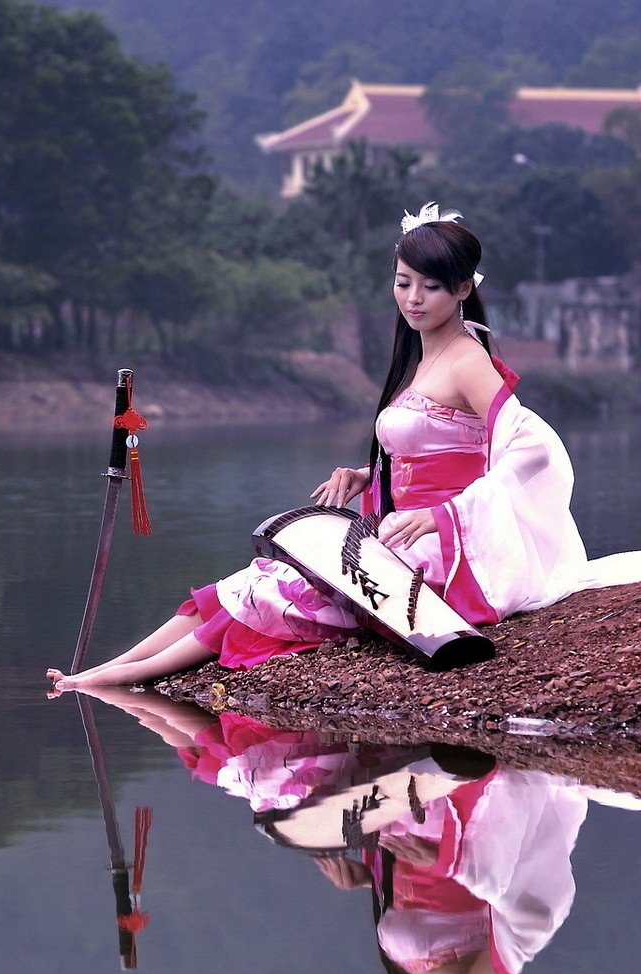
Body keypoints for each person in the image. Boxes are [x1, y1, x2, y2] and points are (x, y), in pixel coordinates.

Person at [50, 204, 586, 691]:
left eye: (432, 287)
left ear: (464, 289)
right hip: (406, 531)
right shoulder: (425, 358)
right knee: (248, 580)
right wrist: (366, 477)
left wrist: (446, 516)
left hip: (441, 549)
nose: (414, 299)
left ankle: (114, 680)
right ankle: (106, 670)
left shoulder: (468, 360)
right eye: (403, 283)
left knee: (272, 591)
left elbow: (532, 451)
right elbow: (443, 450)